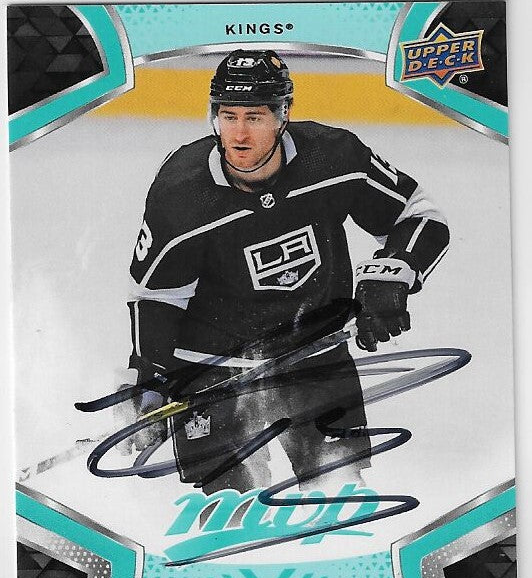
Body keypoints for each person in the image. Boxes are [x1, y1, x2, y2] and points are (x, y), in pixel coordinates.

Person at [124, 49, 449, 494]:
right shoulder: (181, 194)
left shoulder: (334, 158)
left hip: (317, 355)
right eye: (228, 116)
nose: (239, 133)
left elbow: (418, 214)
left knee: (340, 497)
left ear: (283, 115)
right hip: (212, 371)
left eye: (254, 117)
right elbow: (156, 298)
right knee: (228, 515)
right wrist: (151, 383)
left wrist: (392, 273)